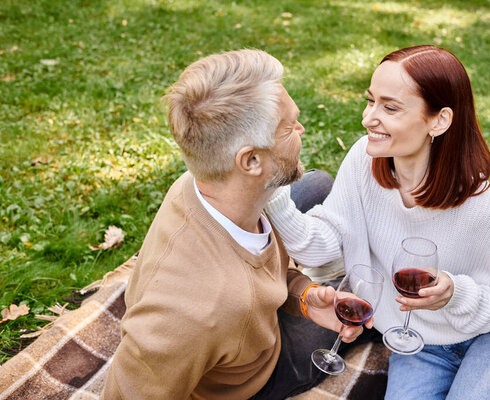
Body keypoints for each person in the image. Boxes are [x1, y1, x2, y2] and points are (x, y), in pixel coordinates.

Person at [265, 45, 490, 399]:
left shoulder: (477, 203)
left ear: (438, 121)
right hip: (417, 343)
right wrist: (271, 191)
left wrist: (454, 293)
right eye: (370, 101)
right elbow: (321, 247)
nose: (368, 118)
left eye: (390, 107)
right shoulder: (363, 161)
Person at [100, 49, 369, 400]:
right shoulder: (193, 313)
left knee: (317, 185)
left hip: (246, 312)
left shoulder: (201, 184)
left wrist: (303, 294)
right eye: (289, 126)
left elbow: (258, 272)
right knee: (372, 297)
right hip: (256, 374)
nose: (301, 129)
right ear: (252, 160)